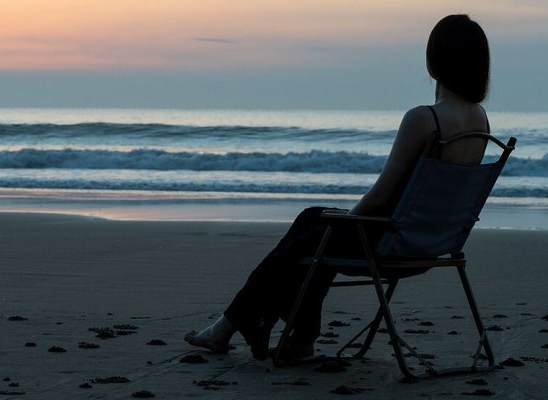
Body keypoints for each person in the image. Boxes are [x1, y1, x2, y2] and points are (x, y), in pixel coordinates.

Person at [185, 14, 491, 361]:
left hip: (390, 242)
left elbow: (381, 195)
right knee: (310, 218)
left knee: (309, 240)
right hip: (432, 242)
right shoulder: (480, 120)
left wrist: (344, 223)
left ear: (434, 60)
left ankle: (235, 328)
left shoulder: (425, 119)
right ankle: (282, 334)